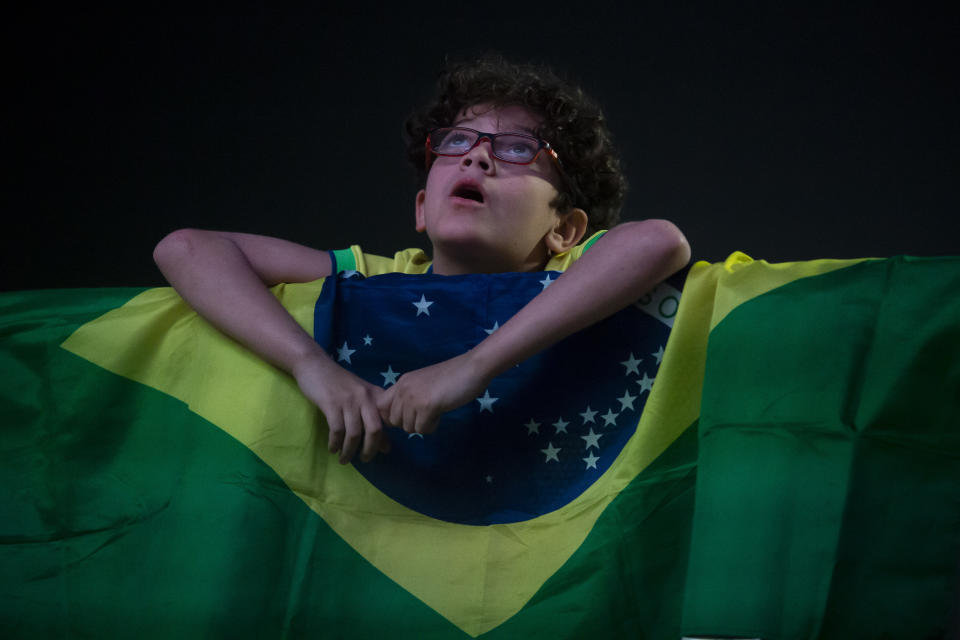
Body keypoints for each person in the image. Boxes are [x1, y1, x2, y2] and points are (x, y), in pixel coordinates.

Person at [153, 56, 690, 466]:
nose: (477, 156)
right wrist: (310, 366)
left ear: (565, 229)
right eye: (457, 141)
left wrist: (473, 366)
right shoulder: (374, 279)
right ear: (421, 209)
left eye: (519, 149)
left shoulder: (577, 275)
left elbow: (659, 241)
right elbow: (185, 248)